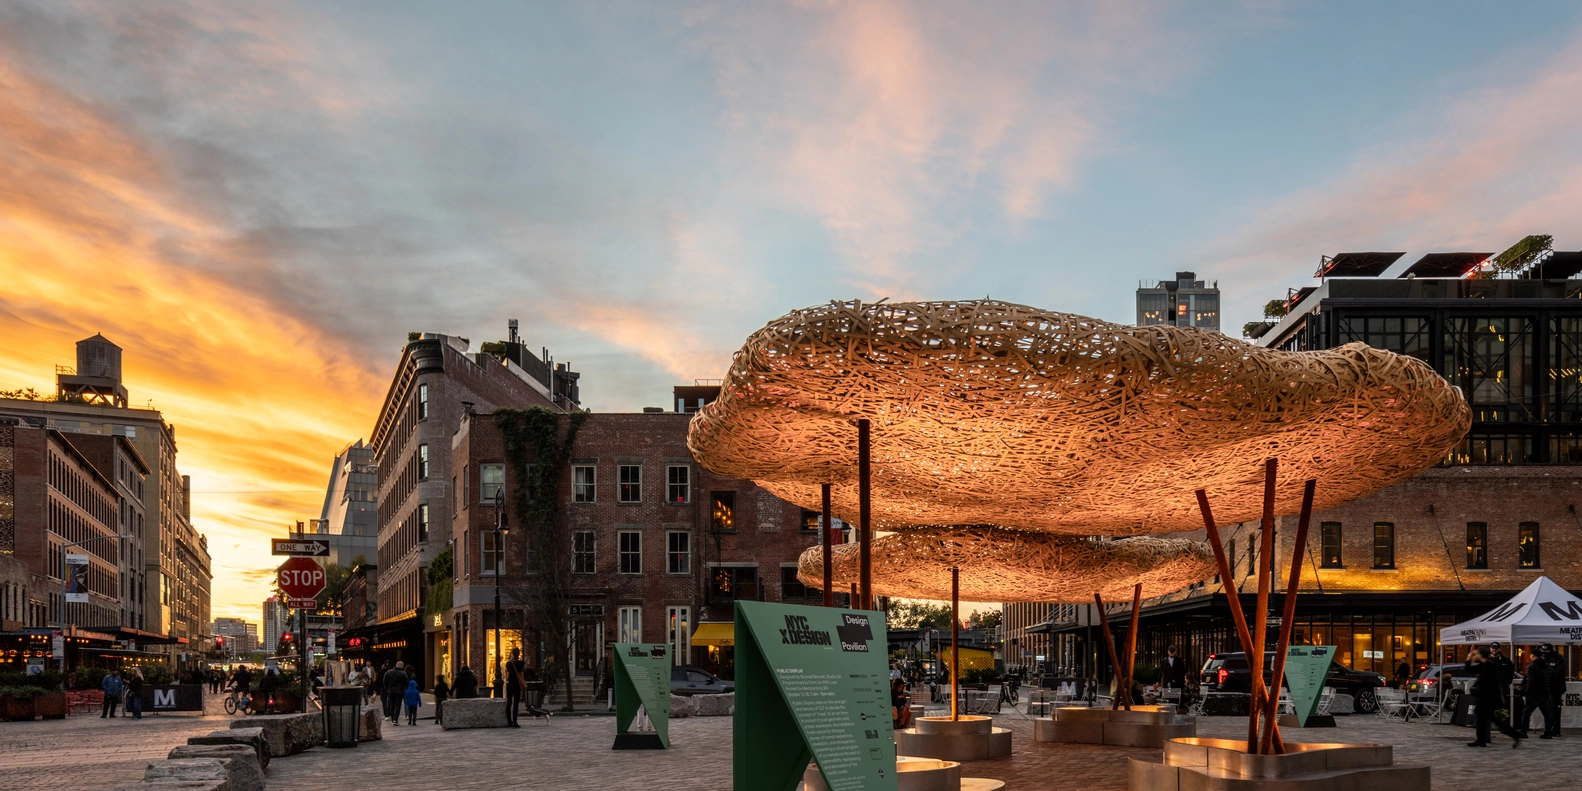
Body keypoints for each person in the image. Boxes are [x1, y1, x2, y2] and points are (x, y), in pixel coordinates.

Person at [1465, 648, 1524, 748]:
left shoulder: (1489, 665)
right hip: (1485, 697)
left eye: (1477, 654)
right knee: (1483, 719)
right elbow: (1468, 669)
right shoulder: (1484, 665)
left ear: (1481, 655)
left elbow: (1488, 682)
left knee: (1490, 719)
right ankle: (1481, 740)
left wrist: (1478, 688)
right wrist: (1468, 659)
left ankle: (1514, 734)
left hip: (1488, 697)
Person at [1518, 645, 1561, 739]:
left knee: (1526, 712)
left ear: (1533, 656)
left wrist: (1525, 691)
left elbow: (1530, 681)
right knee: (1547, 713)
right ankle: (1548, 732)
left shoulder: (1531, 666)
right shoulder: (1548, 666)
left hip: (1533, 693)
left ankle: (1523, 731)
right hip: (1545, 692)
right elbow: (1552, 680)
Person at [1544, 645, 1565, 739]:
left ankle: (1556, 729)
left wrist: (1548, 671)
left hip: (1556, 688)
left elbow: (1559, 672)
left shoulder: (1559, 659)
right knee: (1547, 709)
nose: (1544, 655)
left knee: (1555, 709)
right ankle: (1548, 729)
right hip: (1546, 687)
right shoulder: (1544, 658)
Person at [504, 649, 525, 727]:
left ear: (512, 654)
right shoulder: (521, 663)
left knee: (509, 703)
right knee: (516, 703)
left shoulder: (508, 664)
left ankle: (509, 721)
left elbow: (508, 671)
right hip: (517, 684)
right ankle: (515, 721)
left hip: (510, 683)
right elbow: (522, 671)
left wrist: (510, 659)